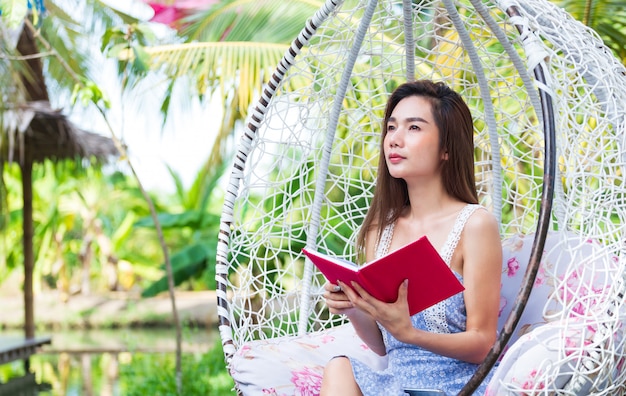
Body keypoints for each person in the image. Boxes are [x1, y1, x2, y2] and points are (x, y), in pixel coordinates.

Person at [319, 80, 502, 395]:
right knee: (339, 367)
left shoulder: (475, 225)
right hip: (398, 386)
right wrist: (353, 306)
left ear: (447, 148)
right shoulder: (381, 230)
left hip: (458, 387)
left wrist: (410, 333)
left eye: (413, 128)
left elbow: (482, 344)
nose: (395, 139)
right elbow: (382, 344)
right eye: (391, 128)